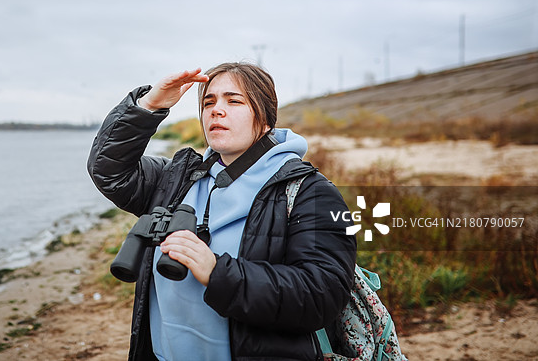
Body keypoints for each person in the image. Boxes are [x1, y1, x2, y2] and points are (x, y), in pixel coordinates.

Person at [87, 63, 357, 361]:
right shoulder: (177, 178)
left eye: (234, 100)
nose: (217, 110)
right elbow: (109, 171)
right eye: (208, 101)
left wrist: (218, 273)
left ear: (265, 118)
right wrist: (149, 105)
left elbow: (322, 295)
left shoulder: (310, 192)